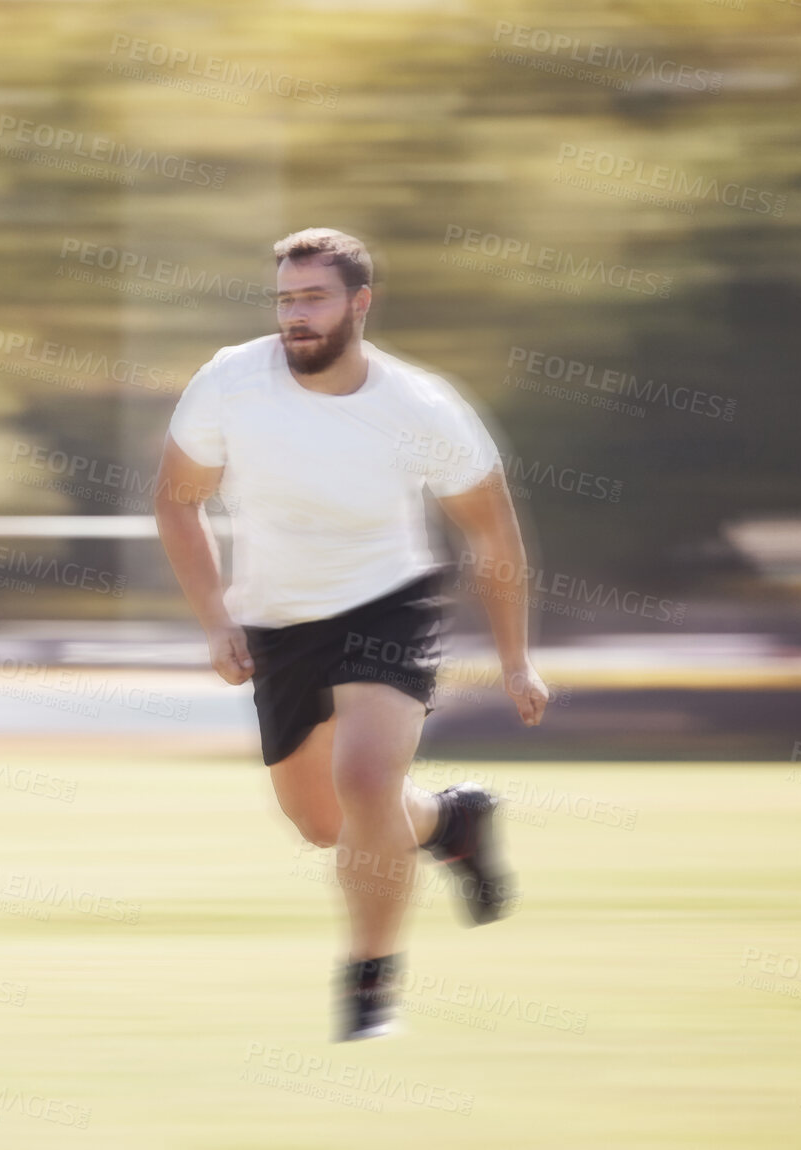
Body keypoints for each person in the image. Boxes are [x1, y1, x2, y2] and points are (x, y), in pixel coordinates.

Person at [153, 227, 549, 1041]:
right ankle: (449, 821)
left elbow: (493, 536)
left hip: (387, 605)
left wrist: (516, 660)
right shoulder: (231, 381)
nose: (296, 316)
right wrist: (216, 618)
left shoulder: (421, 406)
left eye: (315, 298)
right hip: (277, 619)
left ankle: (371, 994)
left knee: (366, 782)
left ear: (359, 303)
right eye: (286, 299)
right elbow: (177, 498)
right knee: (323, 822)